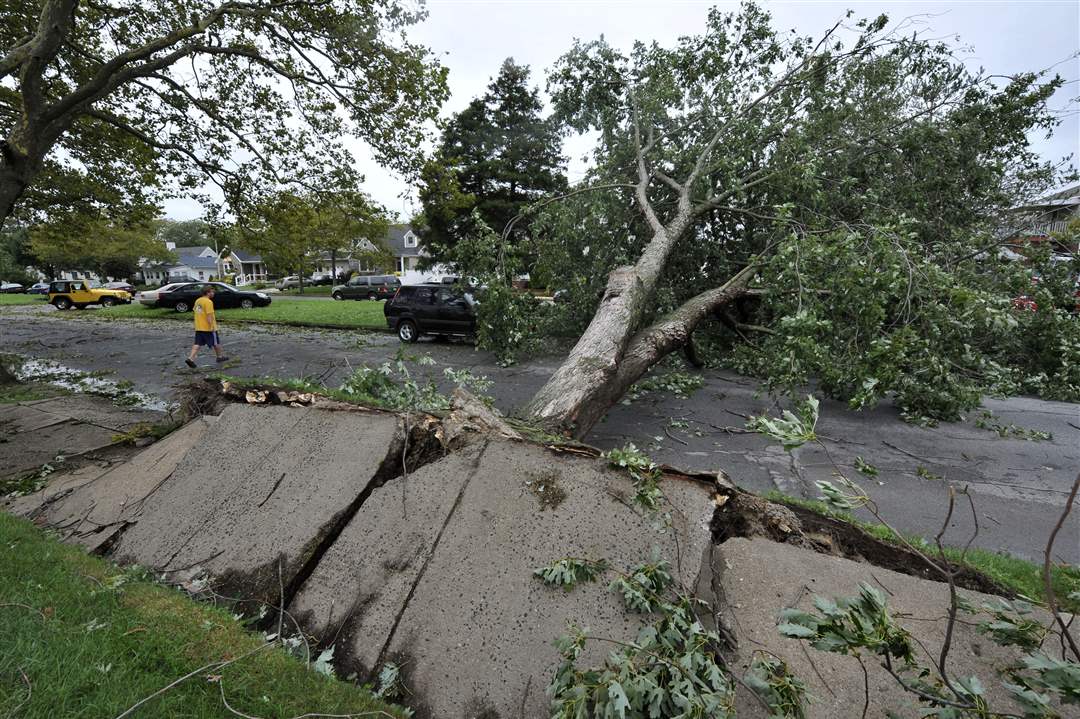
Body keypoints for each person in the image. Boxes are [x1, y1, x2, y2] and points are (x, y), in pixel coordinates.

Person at [185, 285, 228, 367]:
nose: (213, 293)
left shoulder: (198, 301)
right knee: (216, 342)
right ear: (208, 292)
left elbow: (196, 311)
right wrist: (211, 326)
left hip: (199, 327)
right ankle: (219, 357)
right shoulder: (208, 302)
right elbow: (209, 315)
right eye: (212, 292)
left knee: (197, 343)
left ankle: (190, 358)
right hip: (208, 328)